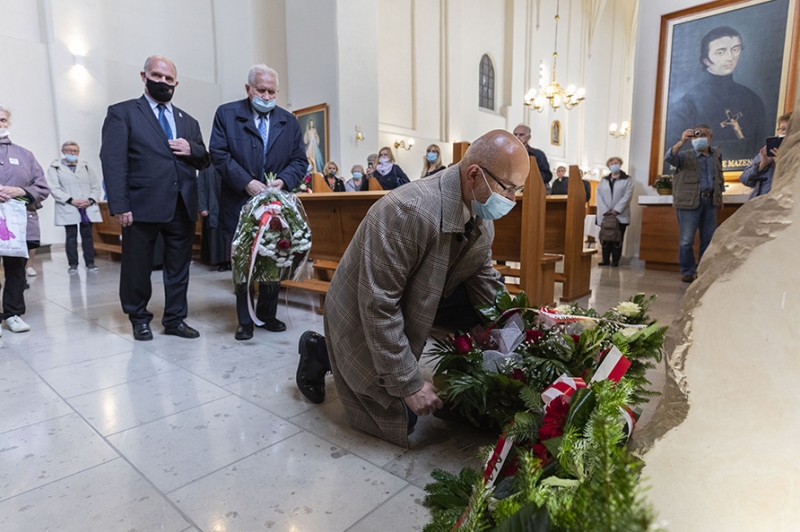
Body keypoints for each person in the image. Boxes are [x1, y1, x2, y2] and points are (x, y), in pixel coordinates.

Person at [295, 130, 530, 448]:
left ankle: (460, 383)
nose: (512, 200)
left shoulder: (479, 213)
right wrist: (410, 384)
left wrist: (519, 328)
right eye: (508, 188)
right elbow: (378, 304)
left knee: (480, 313)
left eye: (518, 190)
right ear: (474, 174)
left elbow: (483, 279)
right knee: (401, 418)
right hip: (359, 306)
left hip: (418, 294)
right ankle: (319, 350)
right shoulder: (408, 210)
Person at [100, 55, 210, 341]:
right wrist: (119, 204)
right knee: (137, 267)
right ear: (144, 76)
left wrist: (192, 149)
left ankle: (175, 319)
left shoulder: (188, 121)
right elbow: (113, 161)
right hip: (141, 205)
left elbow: (204, 159)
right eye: (157, 76)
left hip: (182, 205)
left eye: (169, 78)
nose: (163, 82)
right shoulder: (123, 113)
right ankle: (138, 317)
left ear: (176, 83)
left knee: (179, 268)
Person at [210, 64, 308, 341]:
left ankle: (267, 314)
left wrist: (283, 181)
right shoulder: (227, 114)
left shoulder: (288, 121)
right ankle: (245, 320)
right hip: (239, 201)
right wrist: (246, 182)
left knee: (273, 256)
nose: (266, 96)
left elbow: (299, 160)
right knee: (243, 260)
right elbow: (219, 153)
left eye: (271, 92)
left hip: (275, 203)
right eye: (261, 90)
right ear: (248, 89)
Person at [665, 26, 767, 168]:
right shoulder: (687, 104)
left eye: (735, 49)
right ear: (706, 59)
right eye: (721, 52)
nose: (730, 57)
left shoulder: (752, 99)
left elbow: (761, 148)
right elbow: (678, 159)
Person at [0, 104, 50, 333]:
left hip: (17, 224)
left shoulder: (24, 155)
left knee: (16, 271)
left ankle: (13, 314)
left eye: (2, 120)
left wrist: (19, 191)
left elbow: (41, 187)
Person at [665, 124, 725, 283]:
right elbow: (669, 158)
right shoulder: (685, 156)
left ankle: (703, 270)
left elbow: (719, 178)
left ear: (710, 137)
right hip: (688, 203)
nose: (699, 138)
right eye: (696, 135)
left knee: (709, 239)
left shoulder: (716, 155)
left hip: (710, 202)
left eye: (703, 134)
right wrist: (682, 141)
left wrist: (719, 198)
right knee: (686, 241)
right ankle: (687, 271)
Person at [46, 141, 103, 273]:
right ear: (63, 151)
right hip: (68, 206)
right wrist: (71, 200)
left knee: (87, 236)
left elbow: (95, 186)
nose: (72, 153)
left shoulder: (86, 167)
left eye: (75, 151)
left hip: (86, 206)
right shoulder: (55, 167)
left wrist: (90, 200)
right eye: (69, 150)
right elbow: (54, 188)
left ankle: (90, 263)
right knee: (71, 236)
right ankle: (73, 264)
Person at [739, 112, 792, 199]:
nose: (785, 133)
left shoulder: (796, 154)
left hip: (783, 203)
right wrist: (761, 165)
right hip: (758, 202)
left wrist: (781, 163)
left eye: (789, 129)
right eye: (782, 129)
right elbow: (745, 180)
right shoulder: (767, 151)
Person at [595, 157, 634, 267]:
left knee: (617, 238)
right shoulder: (603, 180)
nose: (614, 164)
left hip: (620, 215)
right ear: (608, 166)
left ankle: (616, 260)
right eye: (611, 163)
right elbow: (598, 196)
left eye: (616, 163)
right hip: (605, 215)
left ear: (620, 164)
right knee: (606, 237)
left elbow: (627, 196)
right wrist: (605, 210)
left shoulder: (627, 180)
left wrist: (616, 210)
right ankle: (605, 259)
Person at [197, 165, 229, 270]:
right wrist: (202, 207)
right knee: (216, 233)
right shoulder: (206, 165)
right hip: (213, 205)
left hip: (229, 206)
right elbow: (201, 186)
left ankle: (230, 261)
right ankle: (221, 262)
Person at [513, 124, 552, 190]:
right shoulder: (506, 153)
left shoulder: (538, 154)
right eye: (515, 134)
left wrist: (533, 178)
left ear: (528, 137)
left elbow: (547, 175)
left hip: (531, 190)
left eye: (521, 135)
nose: (517, 137)